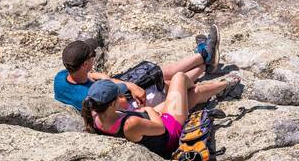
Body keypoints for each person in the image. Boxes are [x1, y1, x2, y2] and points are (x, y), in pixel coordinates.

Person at [52, 24, 223, 111]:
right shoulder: (91, 97)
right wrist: (126, 87)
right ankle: (204, 62)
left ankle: (204, 58)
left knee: (154, 72)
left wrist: (111, 80)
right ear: (85, 65)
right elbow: (121, 105)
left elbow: (94, 77)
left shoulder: (61, 78)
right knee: (165, 84)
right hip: (132, 104)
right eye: (92, 56)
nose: (94, 57)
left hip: (116, 90)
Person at [81, 71, 230, 158]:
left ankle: (222, 86)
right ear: (113, 103)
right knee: (179, 78)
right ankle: (224, 85)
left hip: (148, 127)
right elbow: (161, 129)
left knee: (190, 95)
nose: (122, 96)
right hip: (169, 132)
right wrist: (149, 110)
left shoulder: (95, 114)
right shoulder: (130, 123)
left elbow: (105, 91)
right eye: (119, 95)